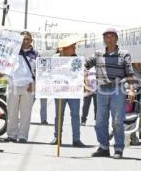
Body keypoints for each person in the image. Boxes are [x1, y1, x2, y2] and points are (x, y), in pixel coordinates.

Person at [85, 28, 135, 159]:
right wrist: (81, 71)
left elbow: (130, 73)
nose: (109, 39)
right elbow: (84, 64)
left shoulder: (124, 54)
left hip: (118, 90)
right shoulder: (98, 54)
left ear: (116, 38)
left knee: (118, 121)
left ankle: (118, 148)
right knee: (100, 121)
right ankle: (103, 147)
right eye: (106, 37)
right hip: (101, 90)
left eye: (111, 36)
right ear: (104, 39)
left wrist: (131, 89)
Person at [50, 36, 85, 147]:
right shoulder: (54, 58)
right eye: (72, 47)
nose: (74, 49)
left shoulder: (77, 59)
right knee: (59, 115)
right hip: (59, 90)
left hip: (73, 91)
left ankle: (76, 139)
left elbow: (80, 75)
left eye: (74, 47)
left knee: (75, 115)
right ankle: (57, 137)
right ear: (63, 49)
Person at [5, 31, 38, 143]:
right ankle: (12, 135)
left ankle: (23, 136)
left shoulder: (36, 55)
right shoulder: (12, 52)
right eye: (23, 39)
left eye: (28, 39)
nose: (25, 41)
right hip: (13, 85)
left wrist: (34, 84)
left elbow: (41, 72)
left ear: (31, 40)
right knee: (12, 112)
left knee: (25, 113)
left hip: (28, 87)